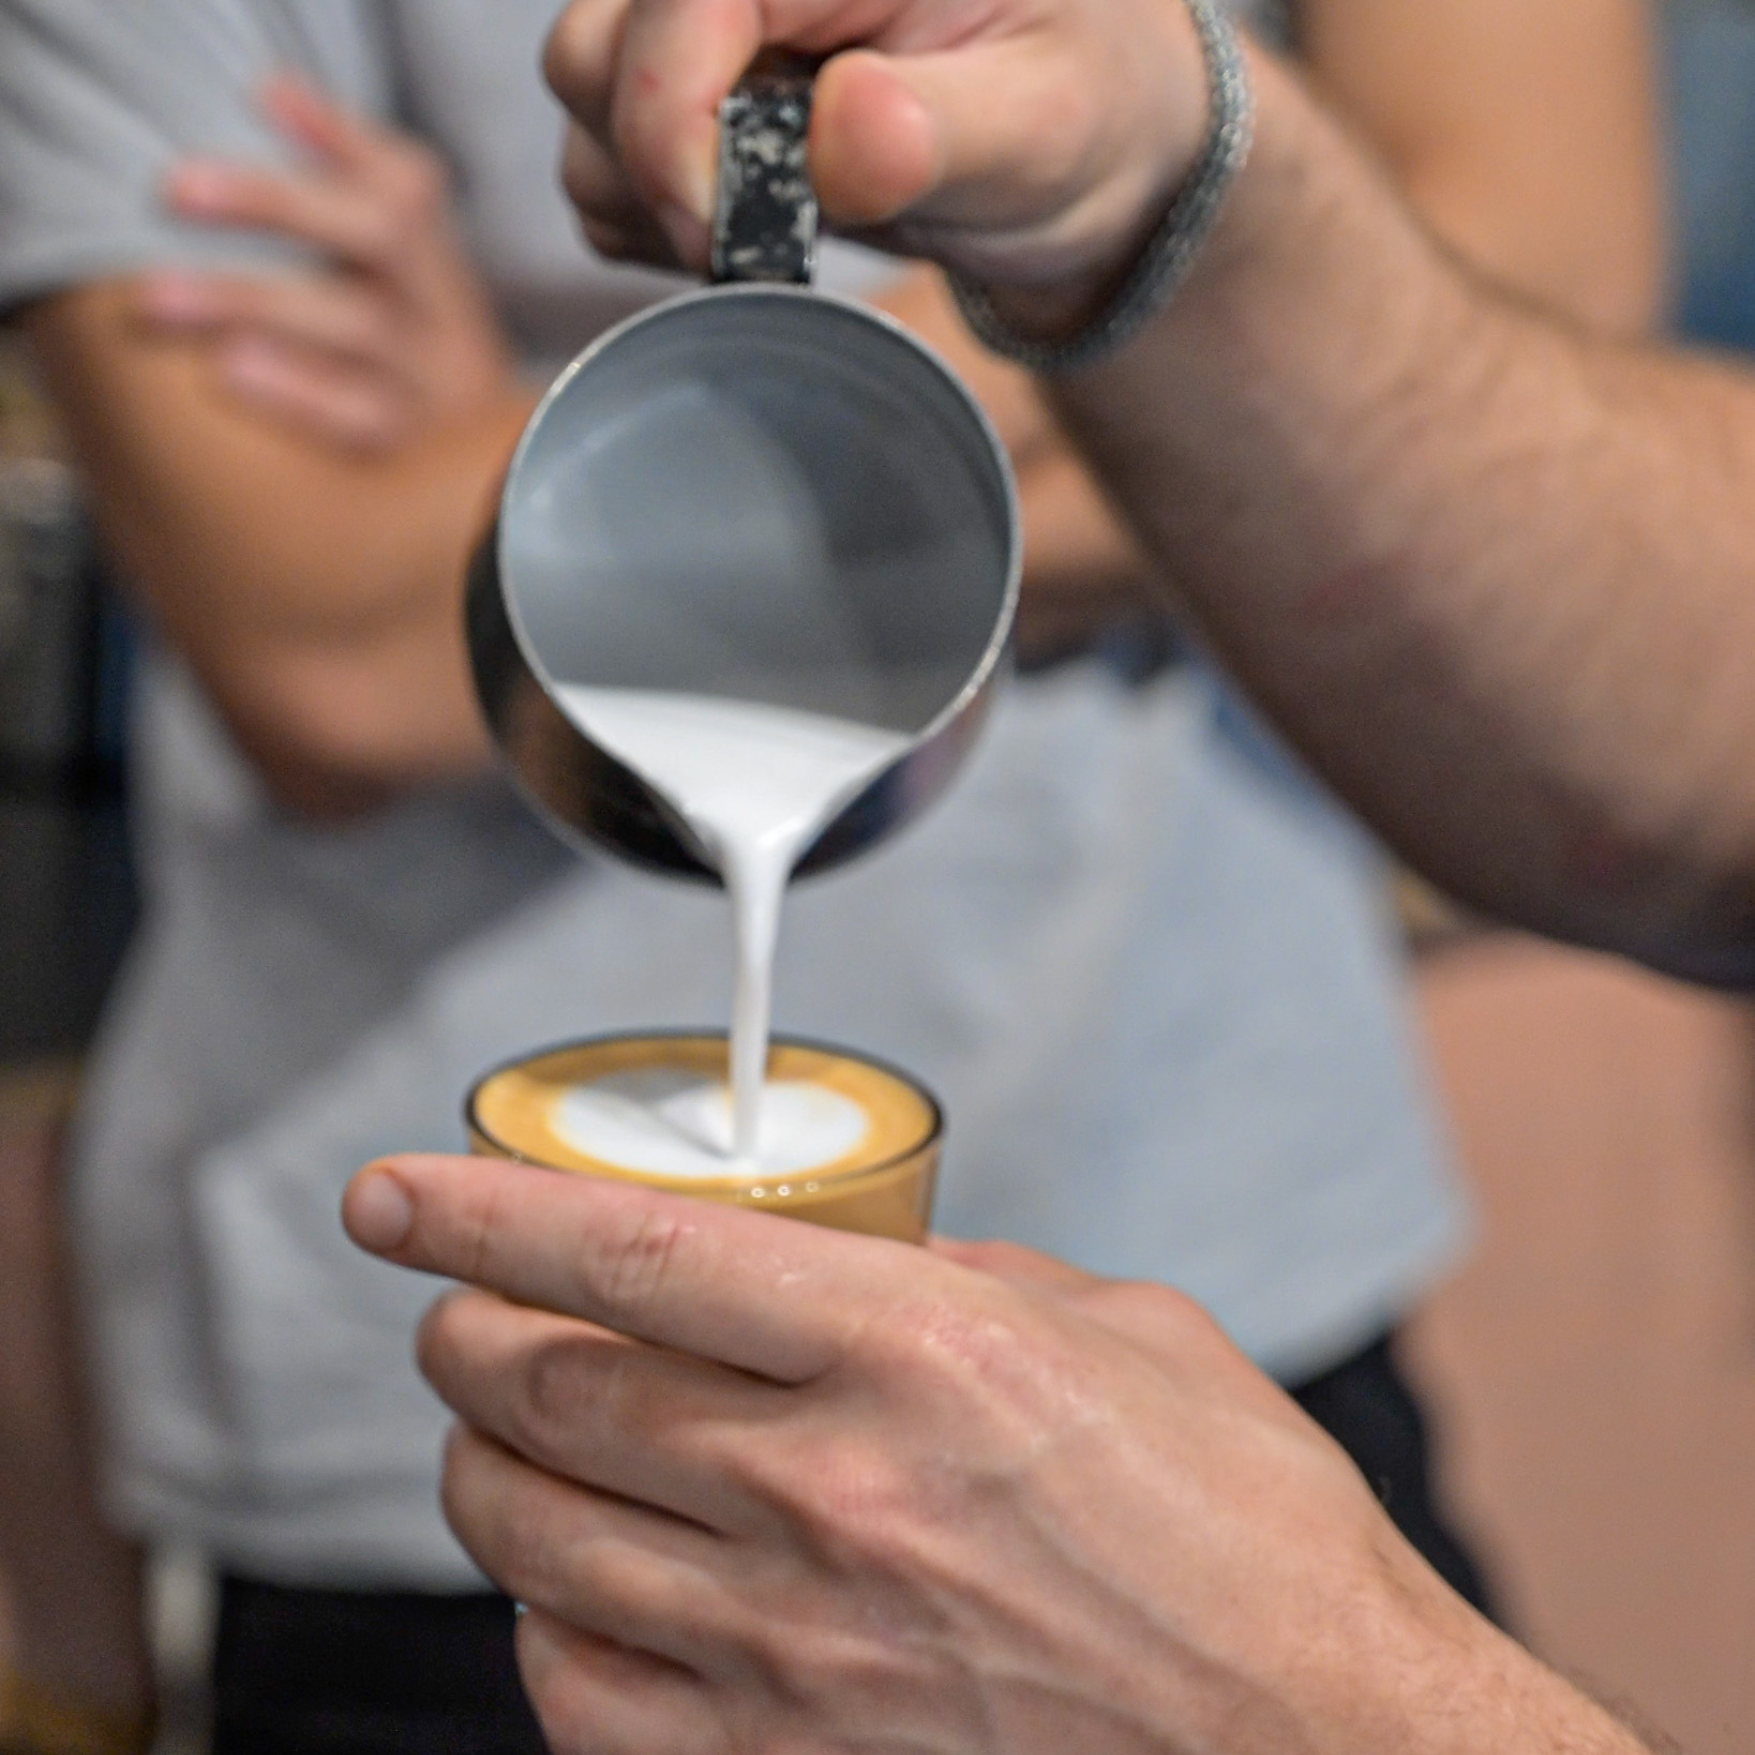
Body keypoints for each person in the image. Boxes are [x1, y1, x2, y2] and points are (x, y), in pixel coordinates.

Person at [0, 0, 1658, 1745]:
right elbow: (311, 636)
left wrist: (589, 460)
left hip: (1204, 1319)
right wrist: (1191, 353)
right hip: (445, 1438)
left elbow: (1534, 288)